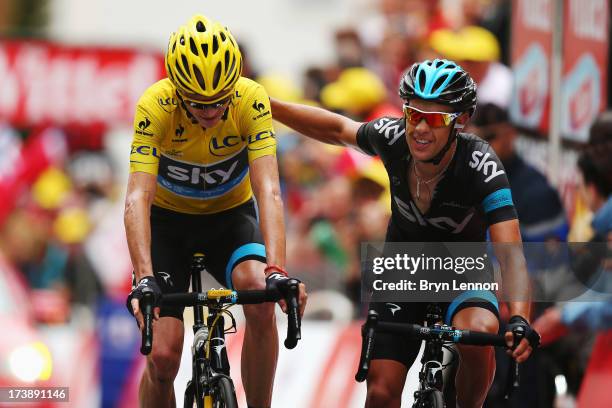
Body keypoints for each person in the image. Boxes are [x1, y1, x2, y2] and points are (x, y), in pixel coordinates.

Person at [271, 59, 538, 408]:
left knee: (481, 334)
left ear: (459, 121)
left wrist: (519, 318)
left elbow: (511, 253)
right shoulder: (393, 137)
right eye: (413, 114)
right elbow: (337, 129)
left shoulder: (481, 165)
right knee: (381, 392)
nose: (419, 129)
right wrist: (268, 105)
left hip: (463, 271)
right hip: (403, 268)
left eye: (434, 119)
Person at [124, 15, 306, 408]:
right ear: (176, 89)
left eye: (220, 99)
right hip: (167, 226)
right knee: (163, 357)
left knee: (258, 295)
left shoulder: (250, 98)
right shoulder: (154, 105)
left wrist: (277, 269)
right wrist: (143, 278)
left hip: (229, 219)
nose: (211, 110)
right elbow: (137, 197)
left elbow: (269, 189)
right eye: (198, 103)